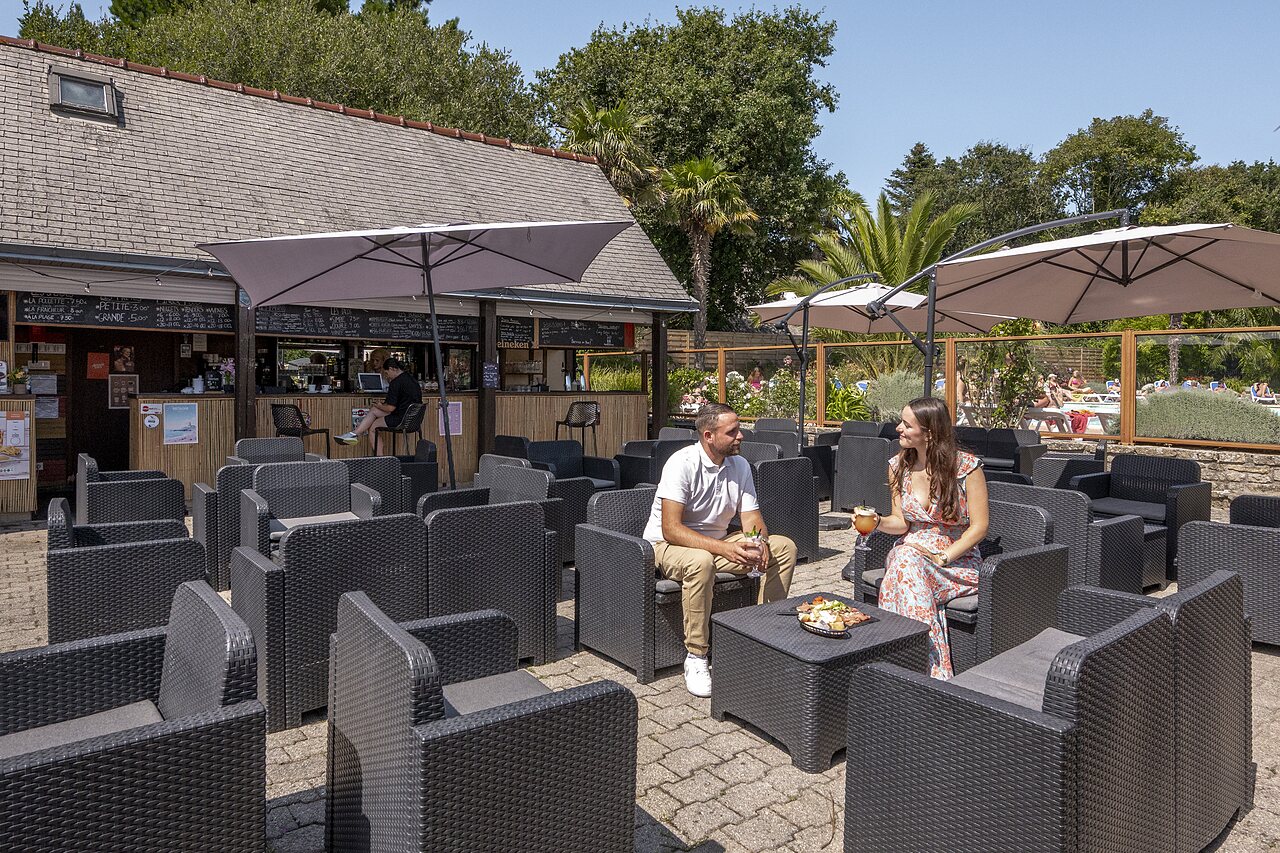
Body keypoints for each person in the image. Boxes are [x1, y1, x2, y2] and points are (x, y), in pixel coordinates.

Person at [643, 403, 797, 697]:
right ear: (708, 435)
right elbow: (670, 529)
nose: (741, 436)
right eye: (733, 431)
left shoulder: (739, 466)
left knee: (784, 547)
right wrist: (724, 549)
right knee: (701, 562)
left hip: (718, 544)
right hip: (668, 546)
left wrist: (759, 543)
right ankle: (697, 656)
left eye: (739, 429)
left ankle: (762, 638)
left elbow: (753, 521)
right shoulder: (682, 463)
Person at [859, 397, 989, 679]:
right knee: (905, 560)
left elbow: (979, 528)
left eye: (906, 425)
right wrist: (878, 521)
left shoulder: (966, 468)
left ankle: (902, 665)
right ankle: (927, 671)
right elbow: (901, 522)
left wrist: (943, 556)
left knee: (901, 570)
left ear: (929, 432)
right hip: (912, 554)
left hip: (957, 561)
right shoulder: (898, 467)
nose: (898, 429)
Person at [334, 358, 422, 453]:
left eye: (387, 373)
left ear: (392, 369)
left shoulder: (396, 382)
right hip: (414, 419)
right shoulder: (411, 379)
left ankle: (380, 459)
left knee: (373, 428)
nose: (387, 376)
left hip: (401, 420)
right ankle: (354, 434)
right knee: (373, 411)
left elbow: (390, 408)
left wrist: (380, 405)